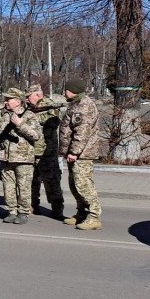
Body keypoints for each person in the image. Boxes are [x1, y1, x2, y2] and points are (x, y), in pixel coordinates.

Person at [0, 88, 41, 224]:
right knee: (8, 186)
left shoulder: (29, 115)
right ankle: (11, 211)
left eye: (8, 99)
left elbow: (36, 135)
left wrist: (21, 125)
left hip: (23, 158)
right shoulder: (0, 114)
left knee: (23, 187)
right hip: (5, 157)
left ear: (18, 101)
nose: (5, 102)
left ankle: (23, 212)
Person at [59, 78, 102, 230]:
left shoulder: (84, 106)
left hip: (82, 154)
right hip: (75, 154)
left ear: (73, 90)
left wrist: (74, 152)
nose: (64, 92)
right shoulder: (76, 104)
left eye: (66, 89)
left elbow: (82, 132)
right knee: (75, 185)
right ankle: (82, 213)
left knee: (83, 185)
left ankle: (94, 216)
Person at [25, 84, 64, 220]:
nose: (26, 100)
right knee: (31, 181)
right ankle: (32, 205)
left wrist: (33, 118)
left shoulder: (50, 106)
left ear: (37, 95)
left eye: (28, 97)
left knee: (52, 182)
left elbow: (54, 122)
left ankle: (57, 208)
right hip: (31, 150)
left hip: (47, 151)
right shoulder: (28, 107)